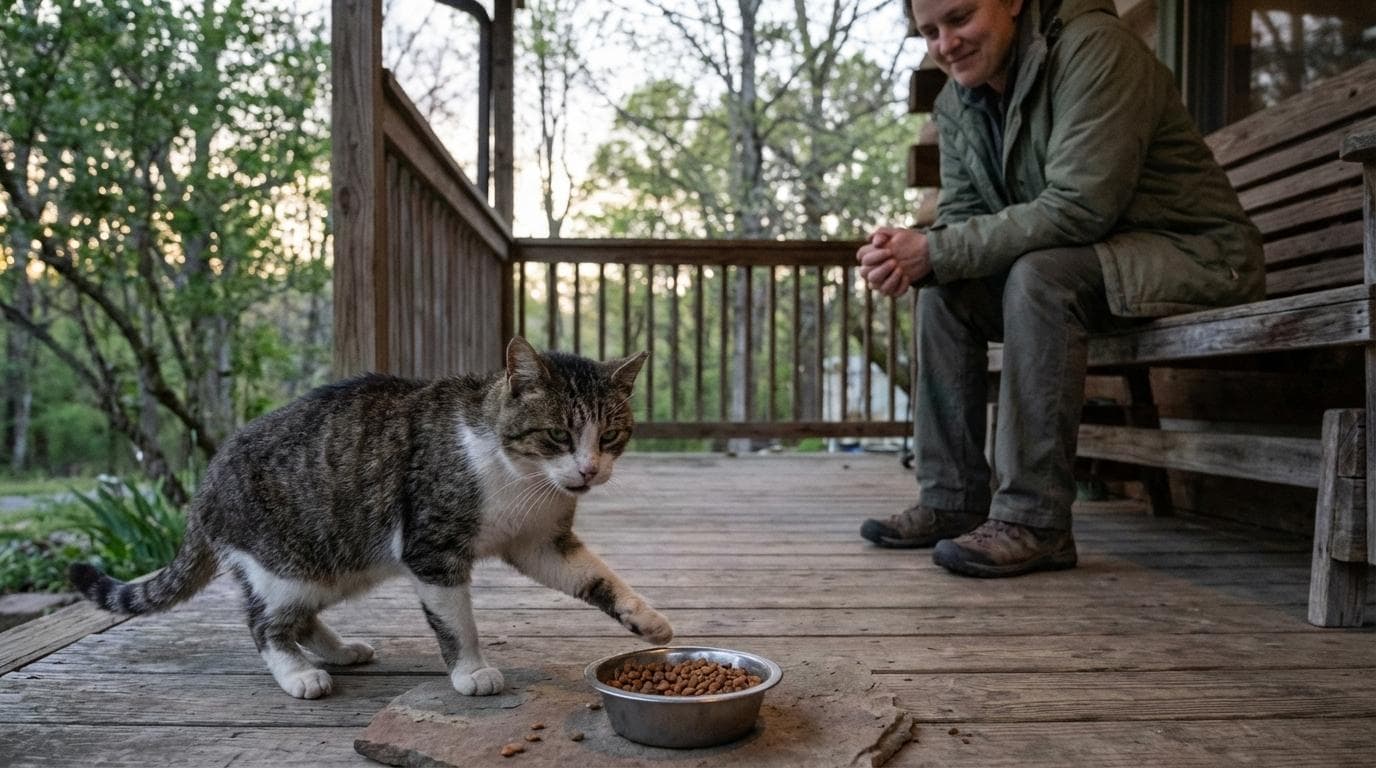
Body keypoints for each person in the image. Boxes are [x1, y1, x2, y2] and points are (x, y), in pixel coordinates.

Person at [857, 0, 1264, 577]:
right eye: (930, 32)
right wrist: (913, 257)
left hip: (1197, 256)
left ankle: (1034, 520)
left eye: (960, 17)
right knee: (944, 292)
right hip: (1096, 265)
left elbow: (1080, 206)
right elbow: (962, 219)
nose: (946, 43)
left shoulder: (1095, 48)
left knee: (1039, 275)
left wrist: (936, 250)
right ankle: (952, 500)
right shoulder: (956, 102)